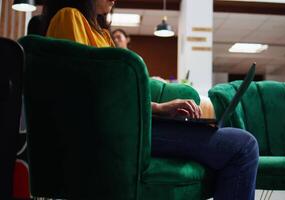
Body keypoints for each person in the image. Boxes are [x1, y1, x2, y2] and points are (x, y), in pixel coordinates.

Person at [42, 0, 259, 199]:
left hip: (125, 128)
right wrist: (158, 110)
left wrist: (161, 109)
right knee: (244, 146)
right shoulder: (68, 17)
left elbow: (116, 97)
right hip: (113, 134)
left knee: (238, 143)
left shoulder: (101, 34)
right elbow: (89, 96)